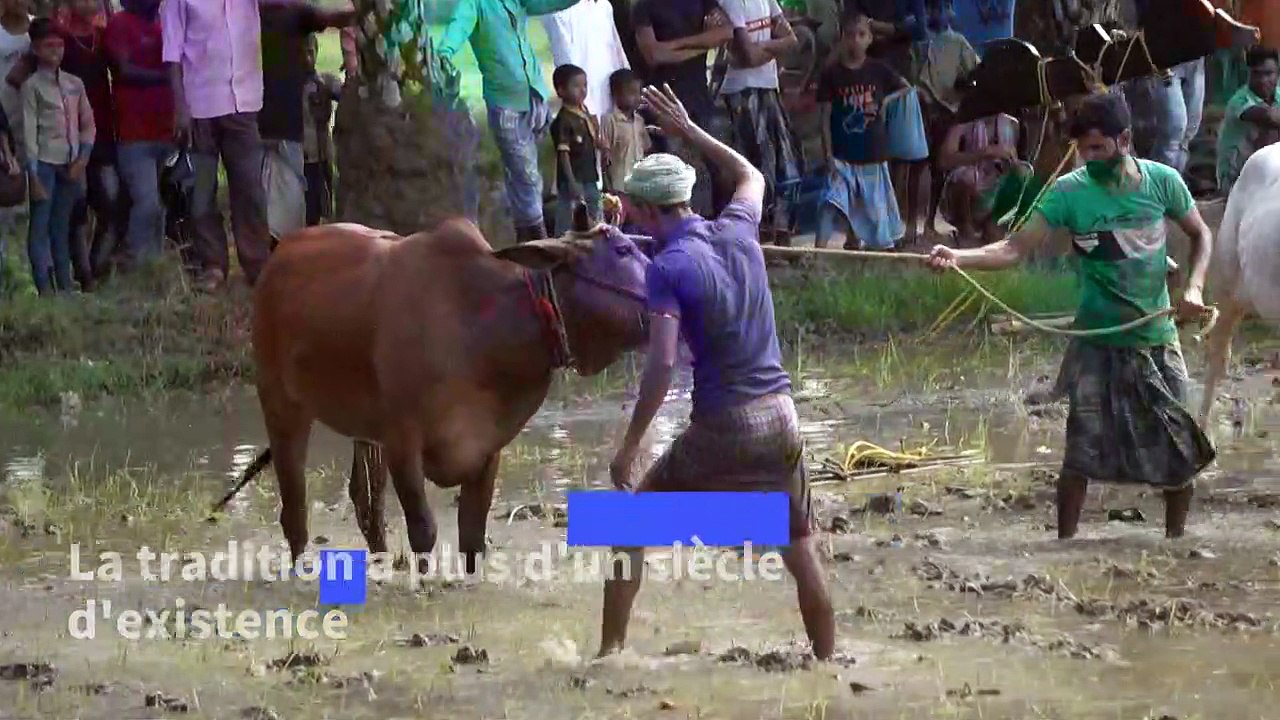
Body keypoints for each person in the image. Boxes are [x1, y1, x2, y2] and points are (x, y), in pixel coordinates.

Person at [598, 82, 835, 662]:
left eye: (633, 208)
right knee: (801, 548)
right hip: (782, 419)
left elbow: (659, 366)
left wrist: (630, 447)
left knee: (628, 532)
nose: (628, 213)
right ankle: (830, 663)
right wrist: (691, 132)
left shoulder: (668, 268)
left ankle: (609, 656)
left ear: (650, 210)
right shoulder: (738, 230)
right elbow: (751, 173)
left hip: (726, 423)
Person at [925, 92, 1217, 539]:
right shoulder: (1068, 192)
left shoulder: (1163, 183)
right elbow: (1012, 249)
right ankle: (1065, 544)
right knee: (1080, 454)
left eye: (1099, 148)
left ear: (1125, 140)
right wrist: (959, 257)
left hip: (1156, 336)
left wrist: (1194, 287)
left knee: (1179, 447)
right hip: (1097, 340)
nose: (1089, 157)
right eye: (1084, 149)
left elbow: (1201, 235)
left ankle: (1176, 543)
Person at [435, 0, 583, 244]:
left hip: (535, 97)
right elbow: (458, 26)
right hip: (506, 105)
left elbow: (547, 3)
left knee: (529, 175)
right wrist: (444, 52)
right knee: (526, 176)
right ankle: (539, 243)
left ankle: (526, 240)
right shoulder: (475, 4)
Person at [162, 0, 272, 290]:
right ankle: (213, 265)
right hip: (200, 106)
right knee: (202, 193)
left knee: (250, 190)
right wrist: (180, 107)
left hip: (243, 103)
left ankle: (257, 265)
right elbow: (172, 53)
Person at [257, 1, 356, 240]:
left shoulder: (246, 14)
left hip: (259, 126)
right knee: (288, 209)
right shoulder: (294, 13)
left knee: (276, 205)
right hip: (280, 130)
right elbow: (338, 17)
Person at [631, 0, 735, 216]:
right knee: (674, 174)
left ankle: (717, 226)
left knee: (720, 167)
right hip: (664, 101)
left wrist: (675, 46)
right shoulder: (644, 7)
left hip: (700, 98)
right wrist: (704, 44)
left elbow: (727, 32)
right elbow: (654, 56)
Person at [814, 12, 908, 250]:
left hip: (872, 155)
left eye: (861, 35)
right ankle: (816, 255)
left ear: (870, 39)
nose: (855, 40)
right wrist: (828, 156)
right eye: (850, 35)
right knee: (830, 203)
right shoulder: (831, 74)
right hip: (842, 156)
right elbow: (824, 117)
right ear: (842, 39)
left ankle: (871, 252)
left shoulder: (879, 71)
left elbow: (906, 88)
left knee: (874, 214)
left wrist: (886, 102)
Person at [719, 0, 804, 246]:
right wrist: (774, 48)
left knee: (784, 164)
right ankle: (758, 234)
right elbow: (749, 55)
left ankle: (780, 230)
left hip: (768, 88)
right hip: (742, 93)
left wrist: (763, 46)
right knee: (756, 164)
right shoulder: (732, 2)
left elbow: (792, 40)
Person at [22, 16, 94, 296]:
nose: (55, 51)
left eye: (59, 45)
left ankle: (64, 284)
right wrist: (33, 174)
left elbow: (88, 123)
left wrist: (83, 158)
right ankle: (43, 284)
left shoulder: (74, 83)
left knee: (61, 225)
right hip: (44, 163)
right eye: (48, 46)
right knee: (40, 224)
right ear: (37, 50)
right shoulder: (32, 87)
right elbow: (29, 131)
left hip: (71, 162)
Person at [53, 0, 117, 288]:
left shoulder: (103, 38)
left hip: (102, 135)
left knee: (112, 205)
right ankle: (83, 275)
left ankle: (97, 265)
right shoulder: (60, 40)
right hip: (70, 139)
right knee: (76, 210)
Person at [105, 0, 172, 270]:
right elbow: (122, 70)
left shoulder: (163, 24)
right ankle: (133, 261)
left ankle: (153, 264)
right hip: (133, 131)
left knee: (158, 203)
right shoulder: (120, 24)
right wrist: (169, 77)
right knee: (147, 202)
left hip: (164, 128)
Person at [935, 112, 1020, 245]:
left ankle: (994, 226)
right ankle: (965, 229)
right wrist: (985, 152)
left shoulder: (1012, 124)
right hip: (969, 189)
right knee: (966, 176)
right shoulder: (963, 123)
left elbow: (1016, 161)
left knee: (1025, 175)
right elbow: (943, 161)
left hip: (996, 188)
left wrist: (1013, 163)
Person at [539, 0, 629, 119]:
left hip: (610, 86)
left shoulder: (604, 6)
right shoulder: (561, 10)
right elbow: (564, 58)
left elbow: (616, 46)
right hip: (584, 90)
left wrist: (626, 79)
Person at [1216, 46, 1280, 197]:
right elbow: (1270, 118)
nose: (1263, 80)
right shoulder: (1240, 101)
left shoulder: (1278, 94)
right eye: (1256, 74)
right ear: (1248, 74)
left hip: (1268, 172)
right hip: (1237, 180)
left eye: (1269, 74)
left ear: (1277, 74)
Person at [550, 63, 601, 233]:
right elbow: (563, 155)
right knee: (568, 212)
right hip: (573, 177)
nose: (582, 90)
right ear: (561, 91)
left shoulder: (584, 112)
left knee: (594, 207)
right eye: (576, 86)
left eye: (584, 85)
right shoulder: (564, 120)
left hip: (589, 173)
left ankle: (594, 239)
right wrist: (571, 182)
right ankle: (561, 245)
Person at [301, 33, 341, 226]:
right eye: (302, 53)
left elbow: (348, 96)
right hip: (298, 159)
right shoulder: (288, 86)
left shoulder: (325, 83)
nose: (307, 58)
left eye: (310, 52)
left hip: (321, 157)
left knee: (320, 212)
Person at [600, 68, 650, 209]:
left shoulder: (639, 121)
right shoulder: (609, 121)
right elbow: (604, 159)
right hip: (619, 187)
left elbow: (645, 150)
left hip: (640, 186)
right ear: (616, 95)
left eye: (638, 92)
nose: (637, 97)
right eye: (631, 93)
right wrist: (608, 188)